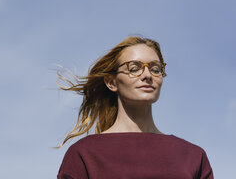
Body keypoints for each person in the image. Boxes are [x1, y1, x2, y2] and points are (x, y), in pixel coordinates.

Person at [56, 36, 214, 179]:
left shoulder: (192, 156)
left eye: (155, 69)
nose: (147, 75)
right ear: (111, 82)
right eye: (134, 68)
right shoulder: (84, 154)